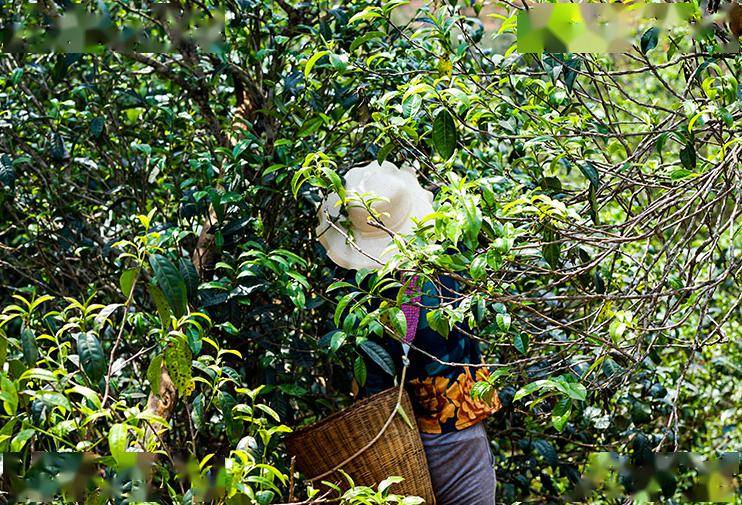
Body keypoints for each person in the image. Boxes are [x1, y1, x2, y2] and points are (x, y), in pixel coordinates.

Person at [316, 160, 502, 505]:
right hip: (451, 437)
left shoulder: (356, 288)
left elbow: (372, 378)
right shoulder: (449, 264)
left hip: (392, 439)